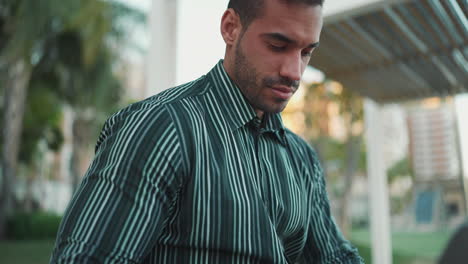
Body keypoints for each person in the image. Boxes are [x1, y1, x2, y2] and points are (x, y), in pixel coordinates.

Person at [51, 0, 363, 263]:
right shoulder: (160, 130)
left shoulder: (300, 158)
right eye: (278, 46)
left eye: (306, 52)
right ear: (231, 28)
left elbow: (334, 256)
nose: (294, 72)